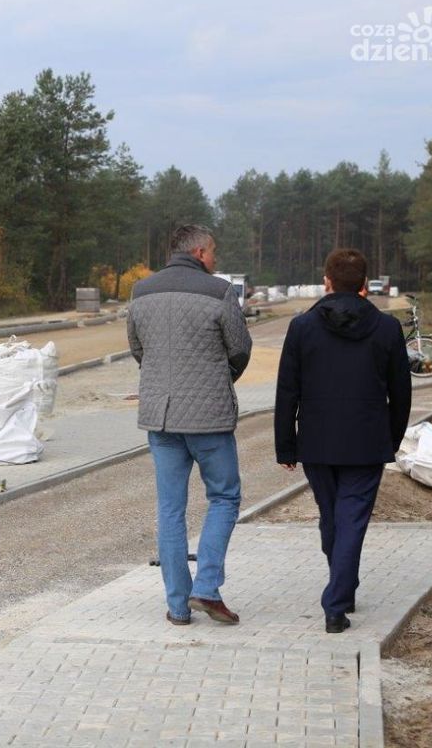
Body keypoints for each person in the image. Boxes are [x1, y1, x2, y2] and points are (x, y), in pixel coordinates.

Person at [275, 248, 411, 634]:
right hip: (367, 442)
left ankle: (339, 594)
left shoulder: (302, 327)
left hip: (317, 442)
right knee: (348, 520)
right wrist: (392, 439)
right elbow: (402, 394)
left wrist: (286, 445)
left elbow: (288, 391)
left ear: (327, 282)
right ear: (365, 285)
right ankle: (338, 599)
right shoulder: (387, 329)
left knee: (333, 517)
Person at [127, 224, 253, 626]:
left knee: (170, 510)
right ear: (199, 252)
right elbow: (239, 348)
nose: (216, 258)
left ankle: (178, 606)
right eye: (213, 250)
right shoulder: (218, 291)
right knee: (225, 497)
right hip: (208, 419)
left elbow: (137, 349)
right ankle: (207, 587)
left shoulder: (141, 292)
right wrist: (218, 380)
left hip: (160, 418)